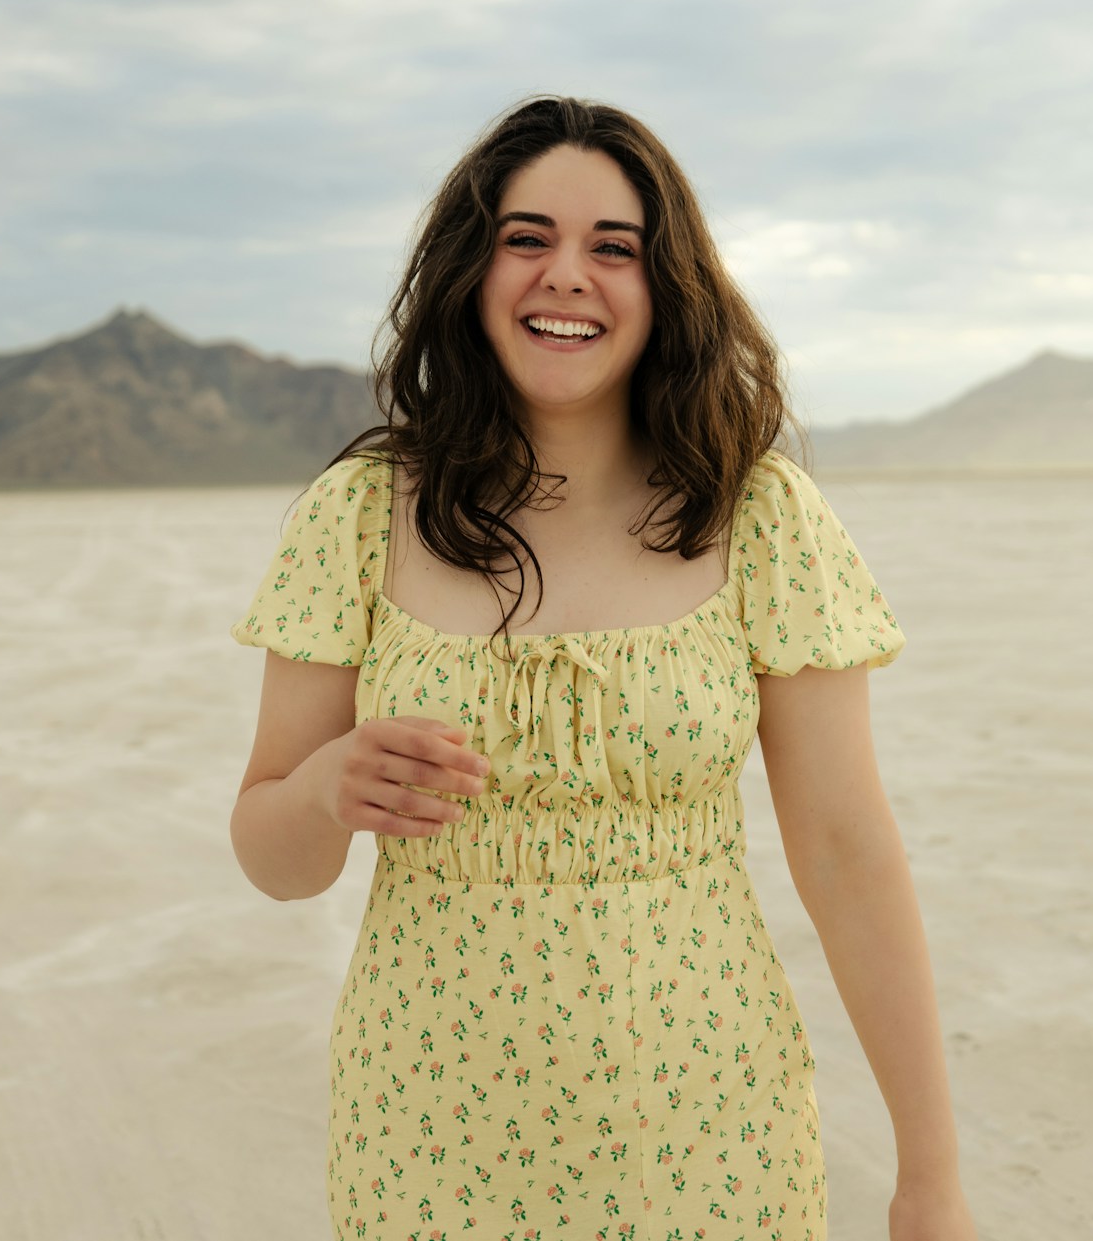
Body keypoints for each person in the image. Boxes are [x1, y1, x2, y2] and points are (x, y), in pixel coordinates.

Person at [229, 95, 978, 1241]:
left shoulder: (760, 514)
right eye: (526, 237)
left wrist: (930, 1174)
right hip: (428, 1139)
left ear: (663, 283)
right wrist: (332, 785)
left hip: (710, 1134)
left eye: (611, 247)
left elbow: (844, 848)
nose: (565, 274)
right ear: (471, 272)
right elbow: (273, 856)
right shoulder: (358, 514)